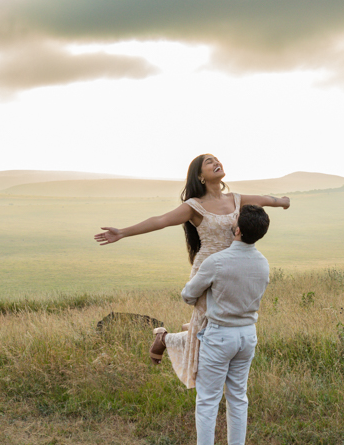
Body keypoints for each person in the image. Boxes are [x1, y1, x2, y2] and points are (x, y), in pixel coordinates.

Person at [94, 154, 289, 388]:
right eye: (209, 161)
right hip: (207, 270)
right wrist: (123, 232)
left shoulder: (237, 199)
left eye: (217, 159)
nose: (217, 162)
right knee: (209, 327)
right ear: (200, 175)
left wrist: (283, 201)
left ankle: (174, 339)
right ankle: (175, 347)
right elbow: (161, 220)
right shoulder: (194, 206)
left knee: (220, 327)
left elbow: (267, 200)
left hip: (234, 269)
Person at [181, 204, 271, 445]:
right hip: (247, 334)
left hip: (220, 334)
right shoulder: (263, 262)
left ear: (238, 229)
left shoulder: (217, 261)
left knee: (208, 399)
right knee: (238, 397)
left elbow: (188, 294)